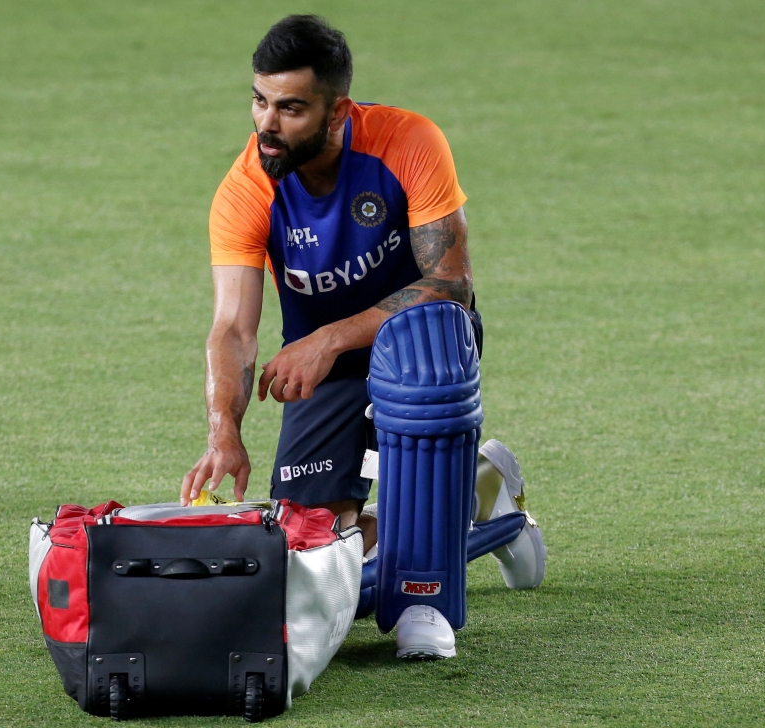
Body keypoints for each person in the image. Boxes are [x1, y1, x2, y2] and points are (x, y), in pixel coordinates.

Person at [181, 15, 479, 657]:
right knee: (310, 540)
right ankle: (479, 498)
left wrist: (329, 337)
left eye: (290, 108)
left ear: (337, 110)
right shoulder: (247, 189)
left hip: (424, 342)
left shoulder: (407, 141)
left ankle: (425, 597)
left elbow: (451, 283)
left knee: (422, 363)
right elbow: (232, 328)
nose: (266, 123)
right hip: (327, 369)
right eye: (260, 101)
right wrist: (223, 431)